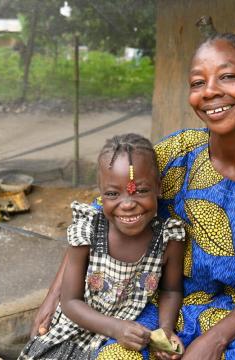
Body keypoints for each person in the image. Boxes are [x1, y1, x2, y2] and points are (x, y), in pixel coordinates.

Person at [30, 33, 235, 359]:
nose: (210, 91)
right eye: (198, 82)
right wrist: (54, 297)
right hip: (155, 304)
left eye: (228, 76)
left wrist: (215, 339)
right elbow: (99, 213)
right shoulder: (178, 152)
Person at [19, 133, 186, 360]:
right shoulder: (87, 233)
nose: (127, 204)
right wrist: (115, 328)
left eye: (141, 190)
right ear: (101, 193)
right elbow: (70, 302)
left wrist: (165, 329)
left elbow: (171, 290)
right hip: (75, 330)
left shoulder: (169, 239)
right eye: (112, 194)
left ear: (158, 188)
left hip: (123, 335)